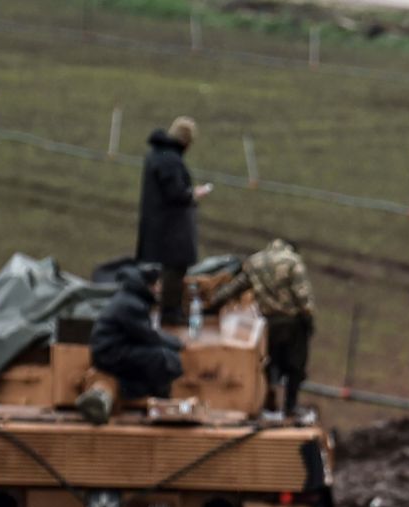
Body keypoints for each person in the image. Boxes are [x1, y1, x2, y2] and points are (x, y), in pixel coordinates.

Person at [211, 238, 315, 417]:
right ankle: (290, 406)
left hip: (269, 323)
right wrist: (309, 319)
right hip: (292, 322)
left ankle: (267, 401)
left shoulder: (255, 261)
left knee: (269, 364)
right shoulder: (292, 261)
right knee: (295, 367)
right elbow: (303, 295)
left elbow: (236, 287)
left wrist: (212, 303)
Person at [135, 116, 211, 328]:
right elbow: (176, 193)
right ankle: (171, 313)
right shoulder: (170, 159)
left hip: (159, 223)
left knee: (167, 269)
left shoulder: (157, 154)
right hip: (171, 226)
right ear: (186, 141)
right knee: (174, 269)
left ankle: (168, 311)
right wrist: (194, 194)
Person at [83, 266, 184, 423]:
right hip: (111, 353)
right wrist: (176, 344)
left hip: (113, 350)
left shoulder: (130, 299)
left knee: (156, 356)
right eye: (155, 284)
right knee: (161, 358)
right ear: (146, 285)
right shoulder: (131, 304)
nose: (158, 289)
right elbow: (146, 334)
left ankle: (134, 392)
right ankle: (156, 399)